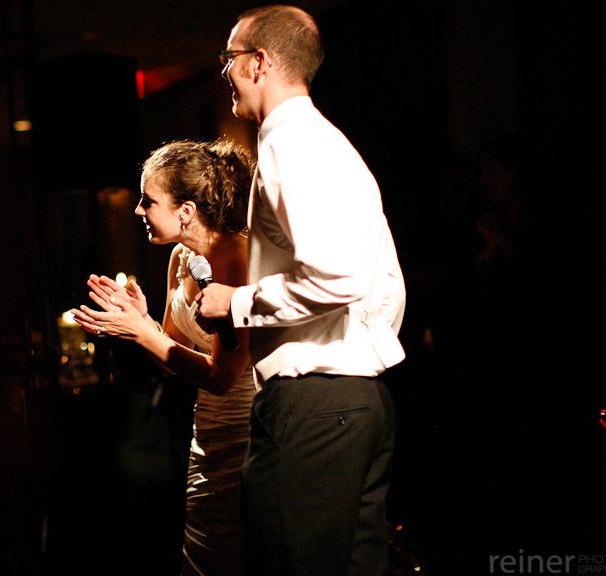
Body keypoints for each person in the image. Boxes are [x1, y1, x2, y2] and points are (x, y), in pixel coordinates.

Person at [195, 5, 407, 576]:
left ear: (259, 62)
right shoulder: (330, 144)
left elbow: (339, 276)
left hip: (314, 404)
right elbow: (384, 284)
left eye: (229, 58)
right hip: (354, 399)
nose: (225, 71)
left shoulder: (294, 145)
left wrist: (235, 302)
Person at [71, 138, 256, 576]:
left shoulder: (237, 256)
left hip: (245, 429)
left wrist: (140, 332)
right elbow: (171, 355)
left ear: (185, 210)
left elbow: (222, 378)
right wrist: (142, 323)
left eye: (148, 201)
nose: (138, 210)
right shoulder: (181, 257)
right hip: (205, 430)